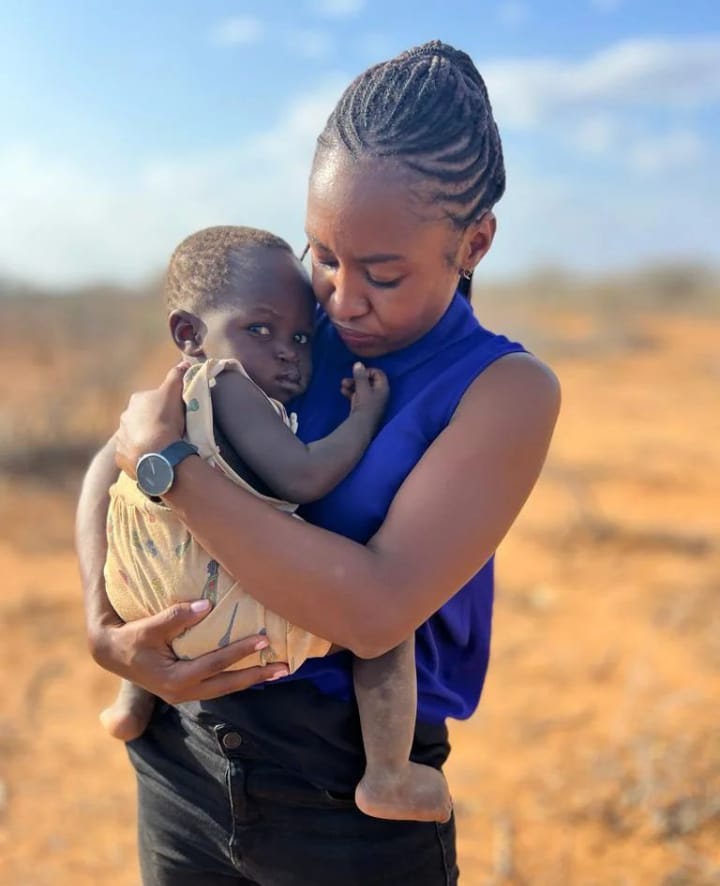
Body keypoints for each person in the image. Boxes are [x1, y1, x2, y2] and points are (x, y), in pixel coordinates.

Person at [76, 40, 560, 886]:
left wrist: (177, 473)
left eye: (382, 273)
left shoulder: (501, 390)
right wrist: (103, 630)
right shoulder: (287, 333)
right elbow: (119, 459)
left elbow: (375, 613)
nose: (341, 298)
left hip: (346, 801)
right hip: (182, 753)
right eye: (324, 256)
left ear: (474, 242)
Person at [100, 223, 451, 823]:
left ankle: (132, 702)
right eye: (259, 329)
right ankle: (389, 774)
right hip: (222, 612)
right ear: (190, 334)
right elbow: (303, 477)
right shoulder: (230, 385)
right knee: (388, 621)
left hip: (141, 599)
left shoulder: (169, 399)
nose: (288, 350)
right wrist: (364, 418)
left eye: (300, 335)